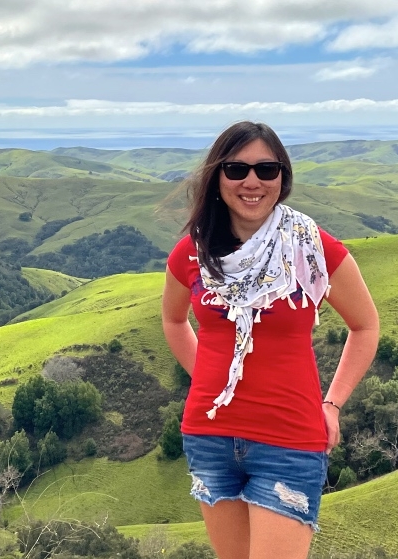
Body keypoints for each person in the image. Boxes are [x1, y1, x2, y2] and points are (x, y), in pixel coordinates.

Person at [161, 121, 379, 559]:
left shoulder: (312, 247)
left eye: (267, 168)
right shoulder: (193, 253)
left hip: (289, 438)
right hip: (209, 436)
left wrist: (332, 405)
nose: (252, 181)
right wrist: (211, 377)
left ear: (283, 176)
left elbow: (366, 326)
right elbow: (172, 320)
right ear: (217, 177)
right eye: (237, 169)